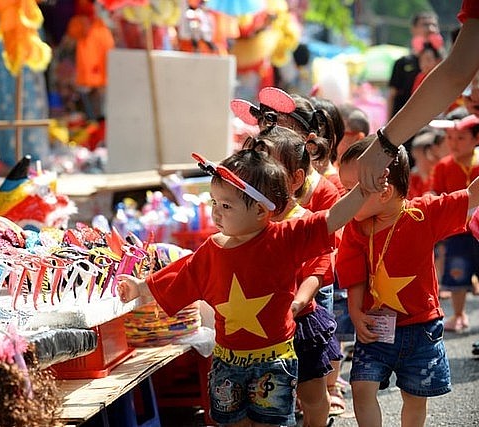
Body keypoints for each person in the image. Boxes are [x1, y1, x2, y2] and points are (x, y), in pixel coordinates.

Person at [117, 127, 370, 427]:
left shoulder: (284, 237)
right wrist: (141, 288)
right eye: (214, 202)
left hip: (274, 359)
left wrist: (365, 189)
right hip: (227, 361)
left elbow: (332, 218)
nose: (216, 213)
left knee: (270, 423)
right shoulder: (211, 249)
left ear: (262, 211)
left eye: (226, 205)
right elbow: (178, 275)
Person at [337, 135, 479, 427]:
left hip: (421, 327)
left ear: (385, 191)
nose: (344, 200)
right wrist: (355, 311)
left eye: (352, 192)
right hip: (374, 327)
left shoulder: (422, 213)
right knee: (361, 388)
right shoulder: (356, 227)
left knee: (414, 398)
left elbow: (470, 195)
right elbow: (353, 273)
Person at [243, 133, 342, 426]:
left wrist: (298, 302)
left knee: (312, 395)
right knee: (266, 398)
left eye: (271, 166)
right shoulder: (249, 219)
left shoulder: (304, 220)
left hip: (299, 321)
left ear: (296, 178)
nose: (260, 174)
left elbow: (318, 268)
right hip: (259, 322)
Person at [357, 2, 479, 194]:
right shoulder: (403, 63)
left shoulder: (446, 66)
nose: (472, 93)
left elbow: (455, 74)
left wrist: (384, 144)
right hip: (412, 126)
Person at [429, 113, 479, 332]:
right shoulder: (443, 166)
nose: (453, 143)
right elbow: (436, 194)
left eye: (461, 138)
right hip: (457, 231)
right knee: (457, 272)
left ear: (476, 139)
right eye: (450, 137)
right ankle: (459, 314)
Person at [387, 11, 441, 119]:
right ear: (413, 29)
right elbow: (392, 95)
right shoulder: (402, 63)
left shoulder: (443, 61)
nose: (430, 29)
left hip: (432, 120)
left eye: (434, 25)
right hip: (404, 121)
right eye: (425, 24)